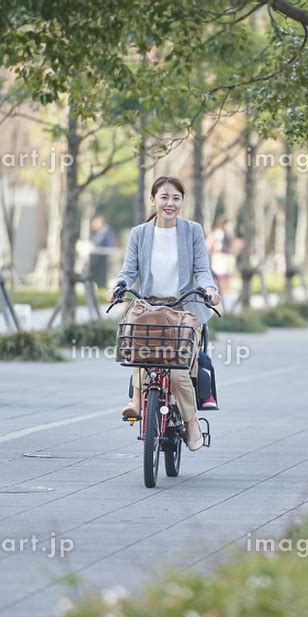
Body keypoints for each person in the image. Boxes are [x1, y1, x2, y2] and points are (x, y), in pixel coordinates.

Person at [107, 175, 221, 451]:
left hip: (183, 309)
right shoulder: (140, 233)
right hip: (148, 306)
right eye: (164, 197)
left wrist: (209, 289)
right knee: (137, 346)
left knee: (179, 373)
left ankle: (192, 424)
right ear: (153, 200)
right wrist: (118, 286)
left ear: (182, 201)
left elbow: (202, 269)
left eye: (176, 198)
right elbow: (129, 270)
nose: (170, 203)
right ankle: (136, 400)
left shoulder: (192, 230)